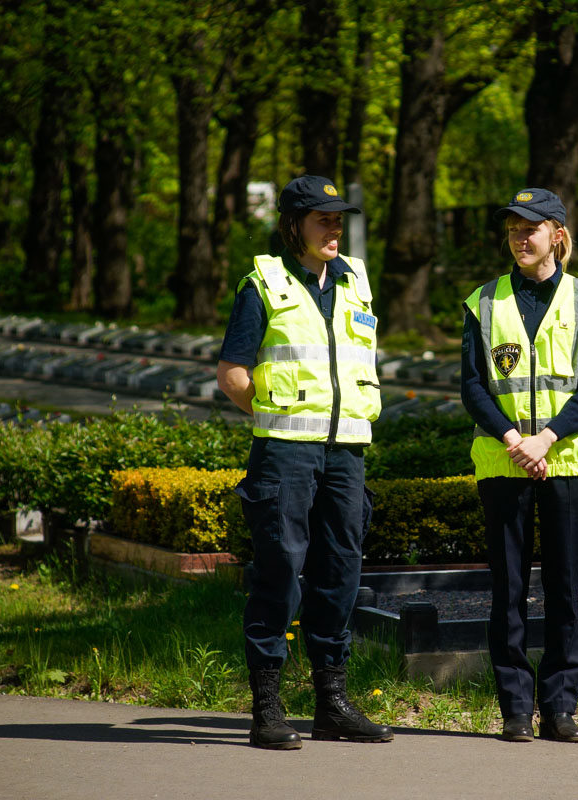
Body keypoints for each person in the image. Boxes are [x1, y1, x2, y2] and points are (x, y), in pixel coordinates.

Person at [217, 175, 392, 750]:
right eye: (323, 218)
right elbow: (233, 375)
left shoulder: (357, 281)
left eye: (339, 218)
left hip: (347, 453)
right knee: (279, 575)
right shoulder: (262, 283)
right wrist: (275, 415)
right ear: (294, 224)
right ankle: (267, 709)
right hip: (286, 452)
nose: (334, 228)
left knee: (340, 573)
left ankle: (331, 705)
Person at [460, 188, 578, 743]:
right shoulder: (482, 301)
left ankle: (560, 707)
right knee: (507, 588)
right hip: (502, 463)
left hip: (568, 462)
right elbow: (473, 386)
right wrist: (513, 440)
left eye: (530, 228)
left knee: (565, 588)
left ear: (557, 235)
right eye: (512, 230)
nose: (519, 239)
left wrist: (545, 440)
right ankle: (515, 710)